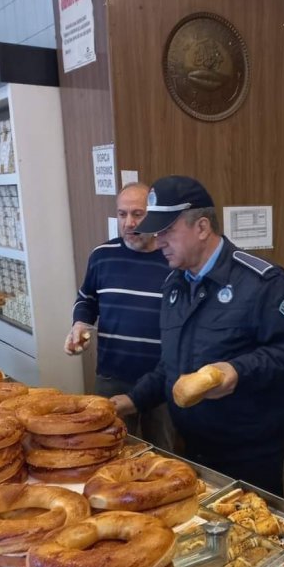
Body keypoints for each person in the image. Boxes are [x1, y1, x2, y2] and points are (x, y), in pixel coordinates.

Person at [111, 175, 284, 497]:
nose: (158, 240)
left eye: (166, 231)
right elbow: (172, 365)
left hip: (249, 453)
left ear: (202, 228)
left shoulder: (261, 281)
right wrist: (133, 400)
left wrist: (238, 371)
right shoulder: (175, 284)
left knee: (252, 540)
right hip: (193, 447)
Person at [64, 182, 176, 450]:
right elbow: (87, 298)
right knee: (107, 449)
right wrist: (80, 324)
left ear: (155, 215)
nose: (128, 223)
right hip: (112, 376)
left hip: (162, 379)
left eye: (138, 214)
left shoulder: (174, 259)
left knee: (163, 456)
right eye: (122, 214)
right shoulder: (103, 256)